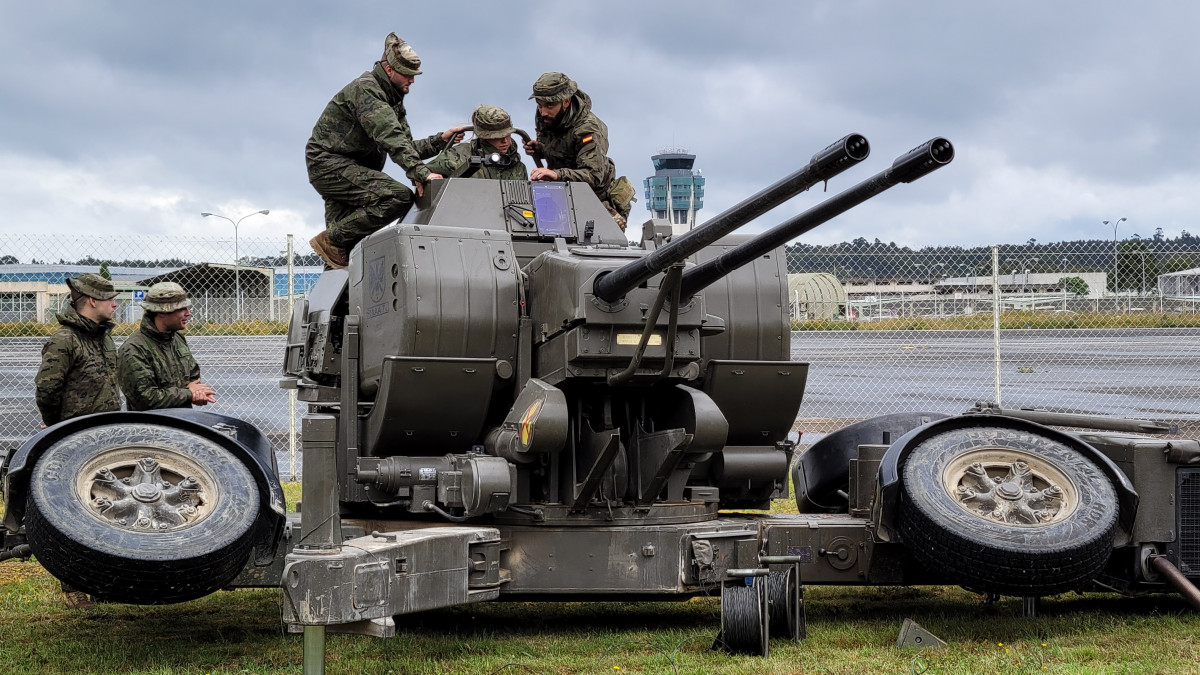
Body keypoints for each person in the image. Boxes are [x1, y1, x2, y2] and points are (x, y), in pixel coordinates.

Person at [305, 32, 467, 269]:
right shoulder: (367, 90)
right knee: (397, 197)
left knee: (342, 254)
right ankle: (330, 239)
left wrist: (440, 140)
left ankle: (341, 288)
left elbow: (406, 146)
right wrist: (421, 173)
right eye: (407, 74)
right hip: (330, 165)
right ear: (389, 70)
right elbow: (391, 137)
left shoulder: (393, 99)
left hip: (352, 169)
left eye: (414, 75)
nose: (412, 80)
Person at [522, 72, 635, 229]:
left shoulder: (588, 129)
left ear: (566, 102)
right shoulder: (546, 116)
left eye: (549, 106)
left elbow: (593, 176)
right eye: (539, 105)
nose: (543, 112)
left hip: (595, 198)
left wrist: (557, 174)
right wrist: (540, 148)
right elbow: (558, 145)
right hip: (561, 194)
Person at [35, 273, 122, 427]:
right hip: (78, 434)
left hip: (109, 430)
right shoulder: (65, 340)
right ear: (93, 301)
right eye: (110, 299)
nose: (114, 304)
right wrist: (56, 426)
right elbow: (47, 390)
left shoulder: (104, 338)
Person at [118, 282, 216, 411]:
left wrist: (197, 393)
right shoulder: (133, 349)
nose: (188, 313)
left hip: (182, 421)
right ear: (162, 312)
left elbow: (193, 378)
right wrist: (188, 394)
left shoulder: (177, 339)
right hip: (152, 427)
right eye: (181, 308)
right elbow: (145, 399)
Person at [425, 105, 529, 181]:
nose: (505, 141)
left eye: (508, 134)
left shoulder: (518, 167)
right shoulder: (458, 157)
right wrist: (424, 179)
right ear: (483, 137)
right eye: (498, 137)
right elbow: (423, 173)